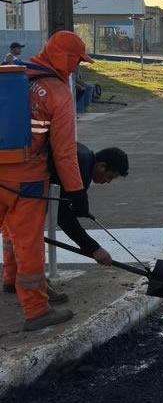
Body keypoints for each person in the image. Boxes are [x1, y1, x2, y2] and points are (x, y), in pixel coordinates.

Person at [0, 31, 92, 331]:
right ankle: (37, 310)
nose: (76, 67)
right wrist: (76, 191)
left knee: (8, 232)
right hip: (26, 180)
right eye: (77, 61)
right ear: (65, 58)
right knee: (29, 242)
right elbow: (65, 151)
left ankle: (11, 280)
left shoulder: (12, 77)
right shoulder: (56, 91)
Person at [3, 145, 126, 302]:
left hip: (12, 181)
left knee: (13, 231)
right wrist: (93, 248)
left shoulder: (83, 155)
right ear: (102, 166)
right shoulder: (80, 167)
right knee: (30, 242)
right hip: (25, 187)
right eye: (110, 176)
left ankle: (12, 279)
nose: (108, 182)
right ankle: (36, 294)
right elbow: (63, 216)